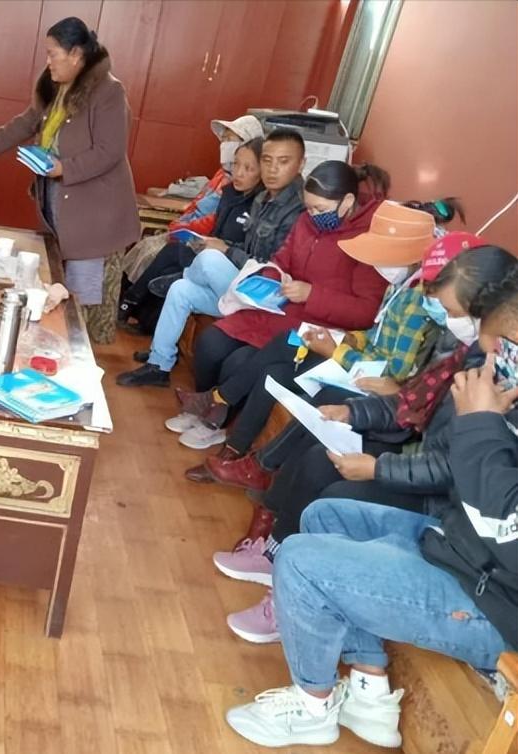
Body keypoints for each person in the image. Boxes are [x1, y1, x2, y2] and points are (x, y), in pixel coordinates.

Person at [224, 283, 518, 749]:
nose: (488, 367)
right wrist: (484, 425)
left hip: (495, 607)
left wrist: (481, 426)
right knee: (326, 516)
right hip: (459, 549)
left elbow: (507, 534)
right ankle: (369, 691)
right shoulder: (501, 392)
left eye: (500, 356)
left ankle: (313, 708)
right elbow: (460, 472)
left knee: (300, 560)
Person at [196, 224, 480, 489]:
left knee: (293, 356)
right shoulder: (400, 286)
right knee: (276, 371)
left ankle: (226, 411)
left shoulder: (419, 303)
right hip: (363, 363)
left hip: (373, 381)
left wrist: (337, 351)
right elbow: (375, 335)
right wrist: (347, 338)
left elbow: (394, 373)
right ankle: (237, 450)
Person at [167, 167, 393, 451]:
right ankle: (207, 407)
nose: (312, 215)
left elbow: (365, 312)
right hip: (278, 309)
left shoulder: (368, 241)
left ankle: (215, 420)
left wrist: (312, 294)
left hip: (317, 327)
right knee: (211, 342)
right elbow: (282, 259)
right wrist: (270, 277)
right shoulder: (306, 221)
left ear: (347, 201)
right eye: (308, 207)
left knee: (239, 361)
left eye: (319, 209)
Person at [0, 16, 141, 344]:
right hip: (61, 206)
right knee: (58, 294)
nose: (48, 61)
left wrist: (64, 168)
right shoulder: (57, 85)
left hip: (94, 220)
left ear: (76, 54)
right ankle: (55, 351)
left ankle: (78, 362)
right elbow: (26, 122)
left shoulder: (108, 91)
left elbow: (109, 151)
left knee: (80, 305)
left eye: (53, 53)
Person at [117, 129, 307, 389]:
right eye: (267, 160)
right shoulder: (263, 199)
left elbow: (270, 266)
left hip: (264, 296)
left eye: (283, 162)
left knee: (209, 259)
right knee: (181, 290)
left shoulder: (299, 210)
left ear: (301, 164)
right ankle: (158, 365)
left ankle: (183, 273)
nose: (273, 169)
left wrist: (225, 250)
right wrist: (223, 245)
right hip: (239, 288)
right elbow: (247, 248)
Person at [120, 131, 265, 334]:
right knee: (168, 264)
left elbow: (247, 250)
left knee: (173, 255)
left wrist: (220, 246)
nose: (239, 173)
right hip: (210, 250)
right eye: (236, 165)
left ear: (262, 172)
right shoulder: (230, 194)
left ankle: (128, 302)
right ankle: (139, 315)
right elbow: (215, 227)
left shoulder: (260, 206)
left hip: (227, 266)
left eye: (248, 168)